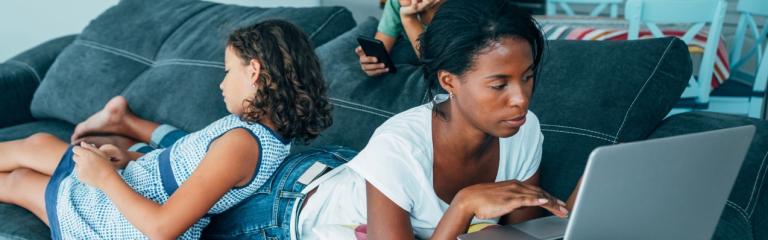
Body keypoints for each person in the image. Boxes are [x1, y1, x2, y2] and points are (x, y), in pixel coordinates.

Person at [203, 1, 572, 239]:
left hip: (348, 172)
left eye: (527, 76)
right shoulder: (400, 146)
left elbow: (523, 233)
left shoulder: (524, 130)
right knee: (179, 178)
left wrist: (575, 209)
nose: (521, 99)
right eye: (498, 85)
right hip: (286, 211)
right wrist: (463, 206)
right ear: (448, 81)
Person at [0, 19, 332, 239]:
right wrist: (126, 157)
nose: (222, 83)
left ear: (254, 72)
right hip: (135, 184)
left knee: (21, 180)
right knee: (38, 144)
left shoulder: (243, 145)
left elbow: (162, 228)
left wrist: (104, 176)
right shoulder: (252, 131)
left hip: (125, 224)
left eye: (229, 70)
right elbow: (183, 165)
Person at [355, 0, 443, 77]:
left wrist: (408, 18)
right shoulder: (397, 3)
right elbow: (380, 51)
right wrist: (371, 63)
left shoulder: (453, 9)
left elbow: (435, 67)